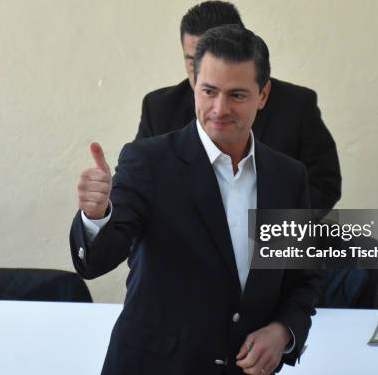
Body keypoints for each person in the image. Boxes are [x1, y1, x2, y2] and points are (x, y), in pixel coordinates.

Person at [70, 25, 321, 374]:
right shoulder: (149, 161)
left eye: (237, 95)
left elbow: (302, 280)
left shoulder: (288, 177)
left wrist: (282, 332)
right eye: (209, 91)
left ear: (263, 95)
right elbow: (96, 261)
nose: (220, 109)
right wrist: (96, 217)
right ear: (194, 85)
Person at [136, 0, 341, 214]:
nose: (220, 108)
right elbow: (138, 189)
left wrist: (267, 231)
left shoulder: (297, 105)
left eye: (237, 95)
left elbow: (324, 183)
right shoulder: (159, 108)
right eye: (193, 59)